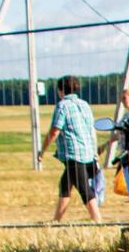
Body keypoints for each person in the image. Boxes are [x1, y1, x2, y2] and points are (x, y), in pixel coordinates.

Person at [43, 75, 102, 222]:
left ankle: (98, 220)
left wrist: (42, 150)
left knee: (84, 190)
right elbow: (91, 129)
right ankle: (56, 221)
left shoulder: (62, 105)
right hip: (88, 152)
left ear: (61, 90)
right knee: (65, 186)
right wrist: (95, 152)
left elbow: (55, 131)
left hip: (73, 154)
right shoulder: (84, 104)